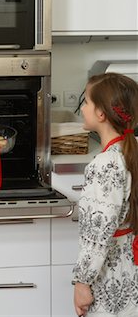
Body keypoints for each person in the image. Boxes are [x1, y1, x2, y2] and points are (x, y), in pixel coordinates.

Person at [72, 72, 138, 317]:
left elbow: (97, 234)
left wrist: (82, 282)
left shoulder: (105, 165)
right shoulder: (132, 150)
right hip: (132, 270)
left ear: (101, 114)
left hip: (110, 276)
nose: (83, 107)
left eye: (87, 102)